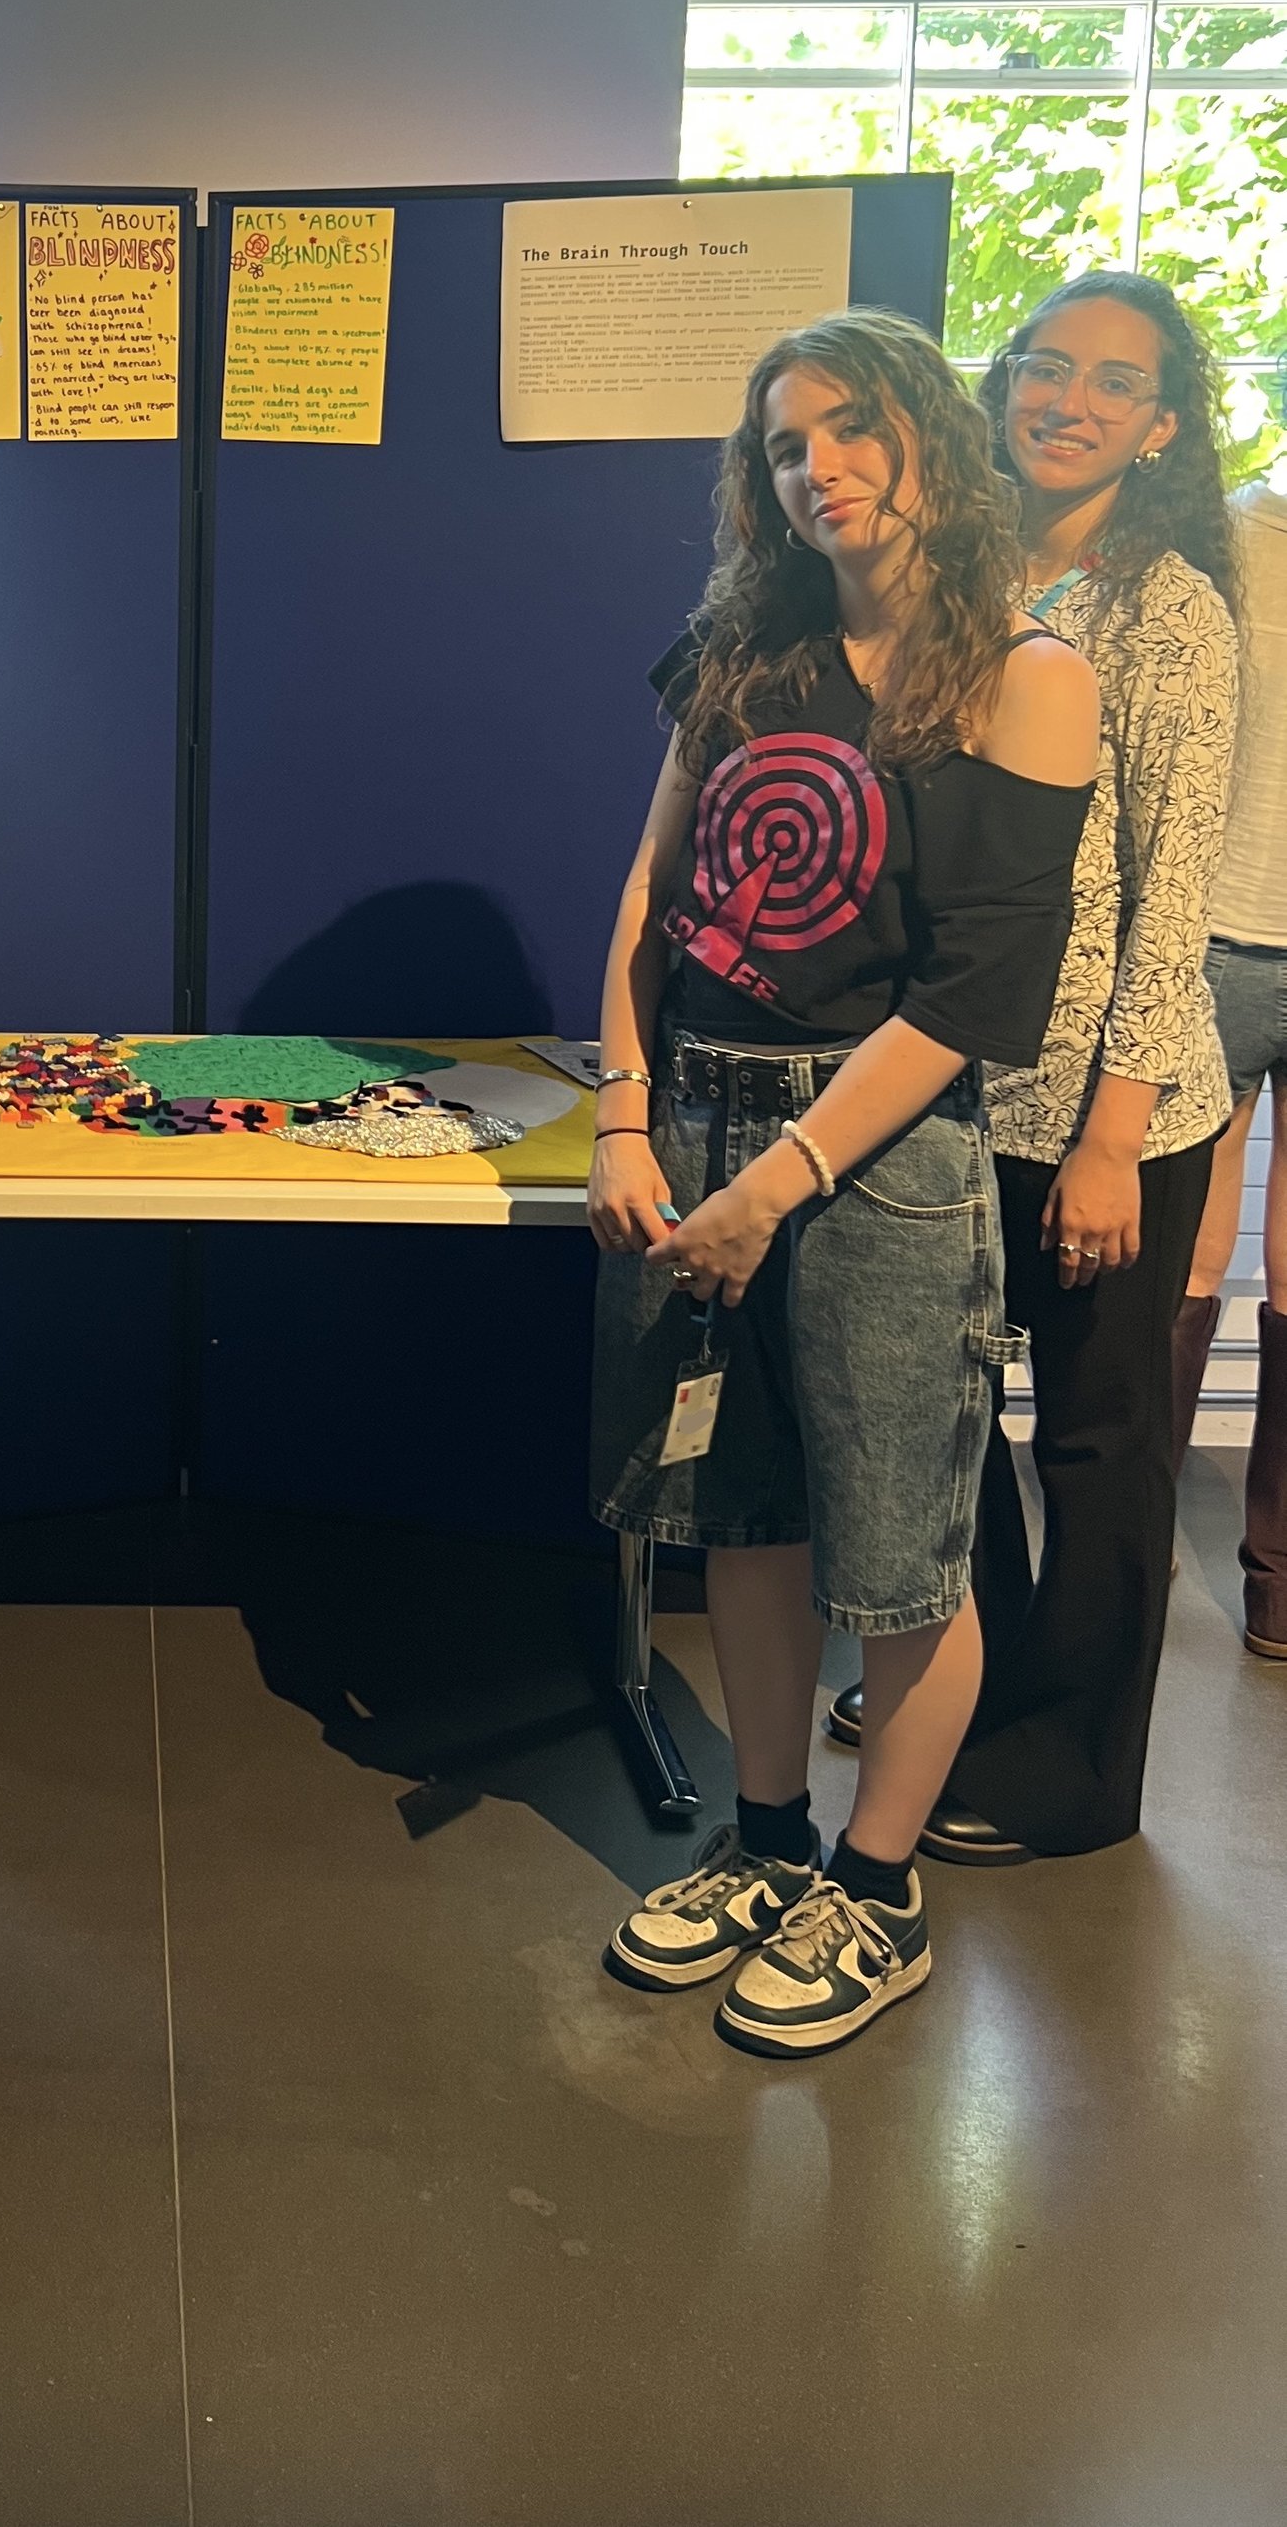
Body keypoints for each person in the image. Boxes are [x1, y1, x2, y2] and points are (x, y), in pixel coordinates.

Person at [589, 313, 1096, 2059]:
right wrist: (627, 1112)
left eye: (852, 428)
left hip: (880, 1158)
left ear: (929, 437)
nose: (820, 469)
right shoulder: (745, 643)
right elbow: (649, 894)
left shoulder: (1028, 675)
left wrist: (782, 1176)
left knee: (900, 1556)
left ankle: (877, 1892)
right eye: (786, 444)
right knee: (743, 1516)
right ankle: (767, 1843)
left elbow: (972, 997)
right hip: (700, 1121)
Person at [825, 272, 1237, 1858]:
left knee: (1095, 1440)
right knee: (947, 1424)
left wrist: (1113, 1137)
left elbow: (1172, 891)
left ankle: (1072, 1770)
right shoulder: (954, 578)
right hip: (945, 1083)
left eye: (1114, 382)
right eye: (1047, 367)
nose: (1069, 400)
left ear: (1161, 425)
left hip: (1104, 1111)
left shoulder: (1170, 614)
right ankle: (970, 1696)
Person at [1178, 461, 1287, 1657]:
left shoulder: (1219, 531)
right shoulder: (1214, 531)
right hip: (1209, 940)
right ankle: (1127, 1550)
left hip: (1219, 936)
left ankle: (1274, 1583)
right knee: (1183, 1265)